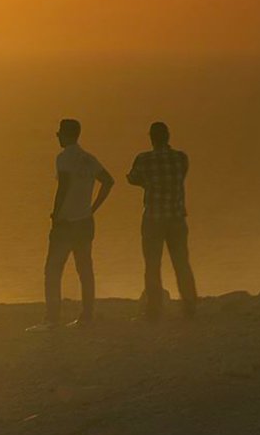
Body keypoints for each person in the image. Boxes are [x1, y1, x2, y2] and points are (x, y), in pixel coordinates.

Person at [30, 118, 113, 330]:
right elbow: (108, 181)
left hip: (66, 222)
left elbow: (63, 187)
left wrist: (56, 214)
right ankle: (87, 316)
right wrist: (93, 207)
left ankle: (52, 319)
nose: (57, 135)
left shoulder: (63, 158)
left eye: (59, 132)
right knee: (84, 269)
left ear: (66, 134)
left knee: (53, 269)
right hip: (85, 221)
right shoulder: (88, 158)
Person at [126, 121, 198, 319]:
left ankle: (154, 309)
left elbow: (132, 178)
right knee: (182, 263)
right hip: (176, 217)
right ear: (168, 137)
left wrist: (148, 182)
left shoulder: (144, 159)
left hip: (153, 218)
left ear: (151, 138)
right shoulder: (181, 158)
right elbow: (179, 176)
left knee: (152, 264)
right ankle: (190, 305)